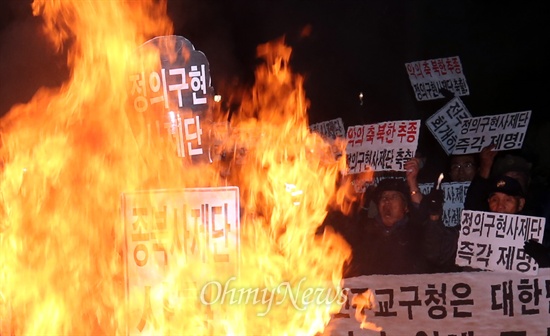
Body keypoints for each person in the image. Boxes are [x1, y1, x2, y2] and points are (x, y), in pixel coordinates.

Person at [347, 178, 448, 275]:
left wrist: (434, 218)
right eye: (383, 197)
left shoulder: (417, 233)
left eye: (394, 197)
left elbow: (435, 255)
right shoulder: (364, 231)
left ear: (406, 207)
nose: (387, 200)